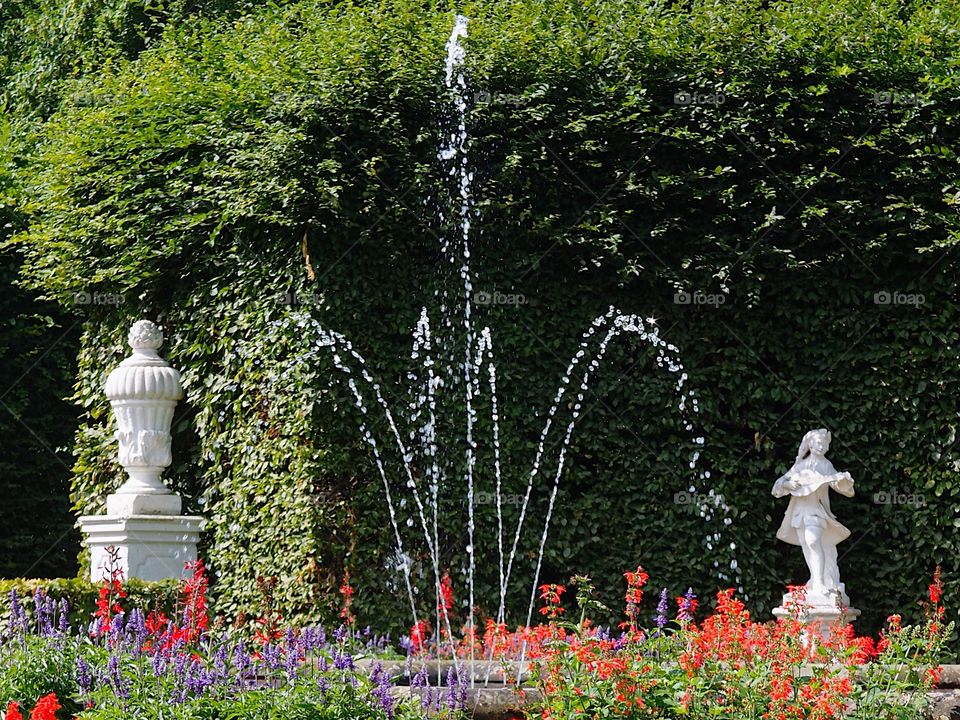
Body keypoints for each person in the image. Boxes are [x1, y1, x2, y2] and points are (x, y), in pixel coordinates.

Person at [772, 428, 854, 600]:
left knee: (813, 540)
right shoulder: (799, 466)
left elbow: (840, 487)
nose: (822, 446)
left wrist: (844, 481)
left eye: (825, 443)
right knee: (807, 546)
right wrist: (787, 485)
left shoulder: (826, 465)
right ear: (809, 444)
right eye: (818, 442)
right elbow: (778, 486)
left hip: (817, 512)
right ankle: (816, 578)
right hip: (800, 514)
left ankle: (819, 584)